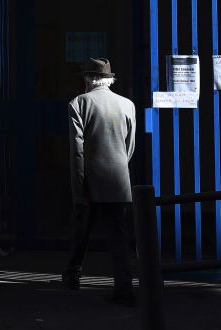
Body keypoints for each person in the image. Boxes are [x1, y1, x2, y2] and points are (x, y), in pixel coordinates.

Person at [63, 57, 138, 306]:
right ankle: (124, 286)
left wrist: (78, 188)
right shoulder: (127, 104)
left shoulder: (79, 103)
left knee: (80, 231)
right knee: (119, 237)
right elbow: (129, 147)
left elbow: (77, 152)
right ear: (109, 79)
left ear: (87, 78)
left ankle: (73, 276)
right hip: (118, 180)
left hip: (90, 181)